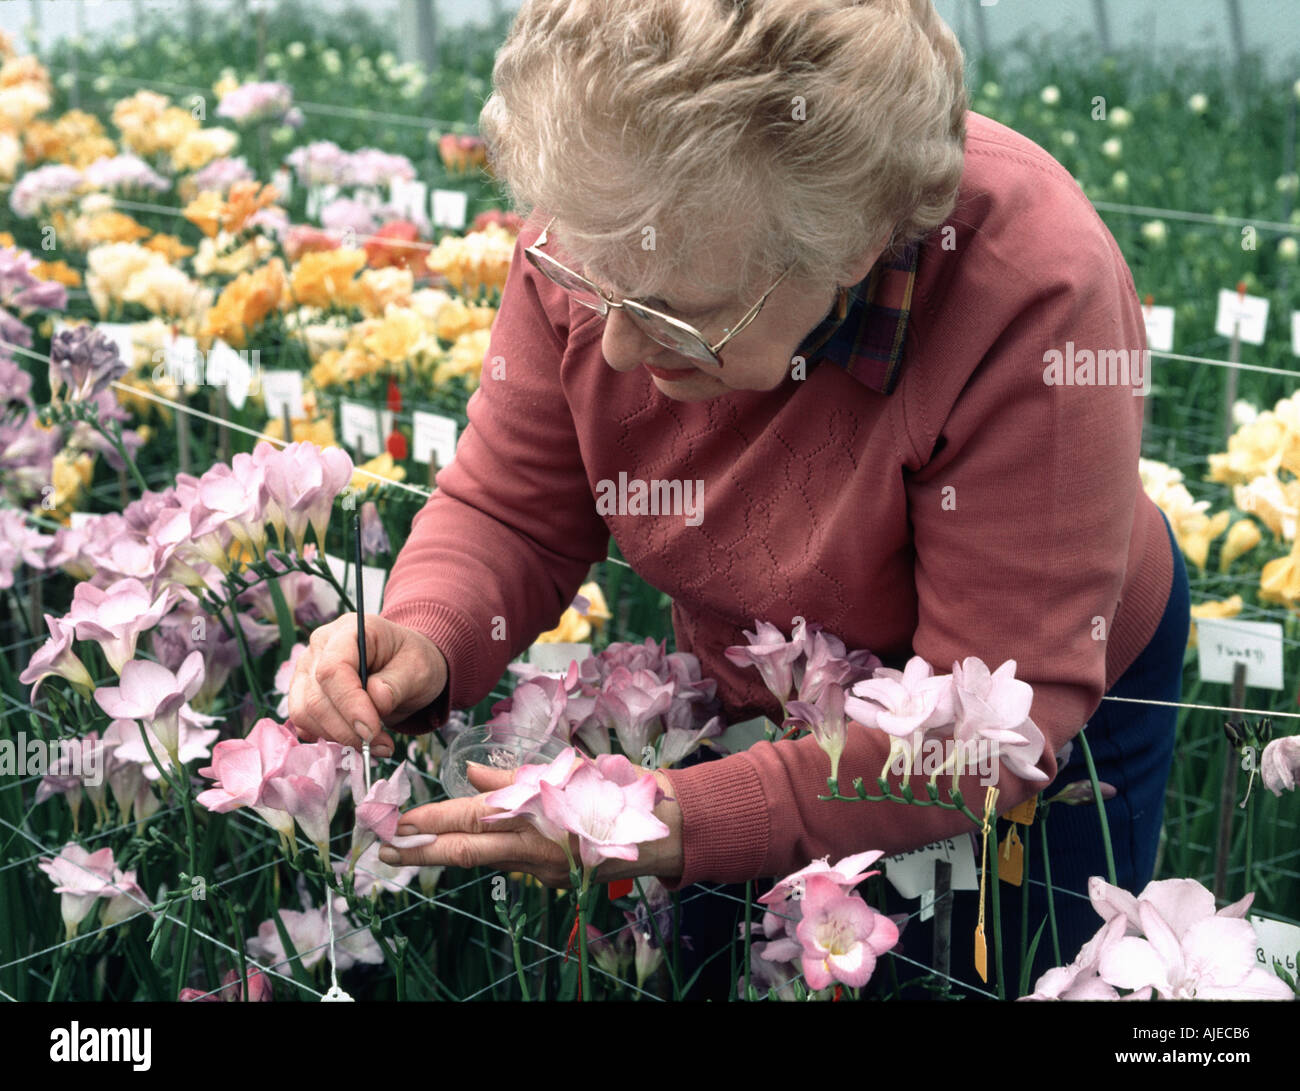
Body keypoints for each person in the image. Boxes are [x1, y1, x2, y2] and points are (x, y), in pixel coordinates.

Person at [287, 0, 1189, 996]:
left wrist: (683, 819)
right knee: (725, 963)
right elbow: (516, 507)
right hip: (764, 669)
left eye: (678, 313)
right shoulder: (613, 219)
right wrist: (428, 632)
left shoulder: (1031, 285)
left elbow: (980, 734)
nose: (619, 349)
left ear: (849, 250)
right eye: (595, 288)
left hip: (1024, 694)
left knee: (989, 968)